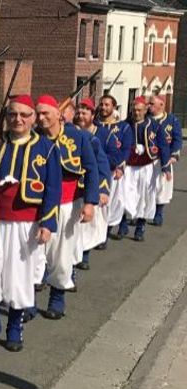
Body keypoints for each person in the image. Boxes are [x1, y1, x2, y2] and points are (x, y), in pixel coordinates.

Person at [0, 95, 61, 352]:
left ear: (33, 118)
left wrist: (48, 223)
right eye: (12, 114)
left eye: (24, 115)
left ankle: (14, 325)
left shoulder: (47, 148)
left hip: (26, 224)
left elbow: (52, 188)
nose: (17, 119)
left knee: (18, 277)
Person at [35, 95, 98, 320]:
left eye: (46, 114)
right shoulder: (32, 138)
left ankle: (57, 294)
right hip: (36, 203)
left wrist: (90, 202)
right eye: (38, 113)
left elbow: (91, 169)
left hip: (67, 203)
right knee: (34, 253)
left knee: (61, 253)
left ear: (58, 114)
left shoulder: (78, 137)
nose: (41, 118)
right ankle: (27, 301)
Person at [118, 96, 169, 241]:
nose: (136, 112)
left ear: (145, 109)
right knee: (123, 195)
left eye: (139, 110)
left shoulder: (154, 125)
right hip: (128, 166)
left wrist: (165, 166)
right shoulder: (124, 124)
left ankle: (140, 227)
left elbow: (163, 145)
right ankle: (123, 225)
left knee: (144, 197)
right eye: (134, 109)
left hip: (146, 167)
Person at [74, 98, 115, 269]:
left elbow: (102, 164)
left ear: (92, 114)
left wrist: (103, 188)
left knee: (87, 225)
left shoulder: (99, 136)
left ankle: (84, 256)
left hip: (90, 185)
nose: (81, 115)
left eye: (85, 112)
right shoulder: (69, 134)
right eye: (79, 112)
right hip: (71, 188)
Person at [95, 94, 131, 243]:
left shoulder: (123, 127)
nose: (103, 107)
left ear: (113, 107)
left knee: (113, 202)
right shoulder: (94, 125)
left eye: (107, 105)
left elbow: (126, 149)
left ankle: (108, 232)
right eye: (101, 104)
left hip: (114, 171)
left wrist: (120, 167)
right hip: (95, 171)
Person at [149, 94, 181, 226]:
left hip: (164, 159)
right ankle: (142, 213)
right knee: (146, 186)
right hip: (148, 159)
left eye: (151, 104)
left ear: (161, 105)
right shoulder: (146, 120)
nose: (149, 106)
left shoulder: (172, 120)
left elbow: (177, 139)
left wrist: (174, 155)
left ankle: (159, 213)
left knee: (162, 187)